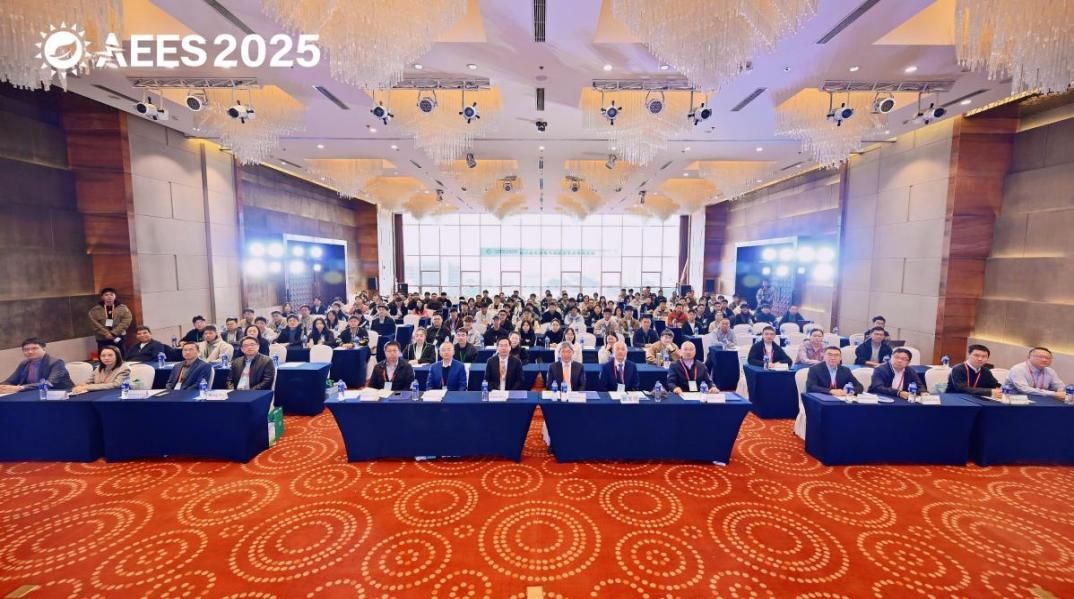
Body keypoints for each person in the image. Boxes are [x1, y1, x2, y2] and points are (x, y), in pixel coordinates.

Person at [88, 287, 133, 355]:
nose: (109, 296)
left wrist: (113, 333)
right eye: (106, 295)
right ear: (102, 297)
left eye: (111, 294)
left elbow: (126, 321)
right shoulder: (95, 310)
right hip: (102, 337)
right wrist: (106, 333)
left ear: (115, 296)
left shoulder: (123, 308)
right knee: (104, 355)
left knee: (120, 355)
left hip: (118, 336)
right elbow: (94, 323)